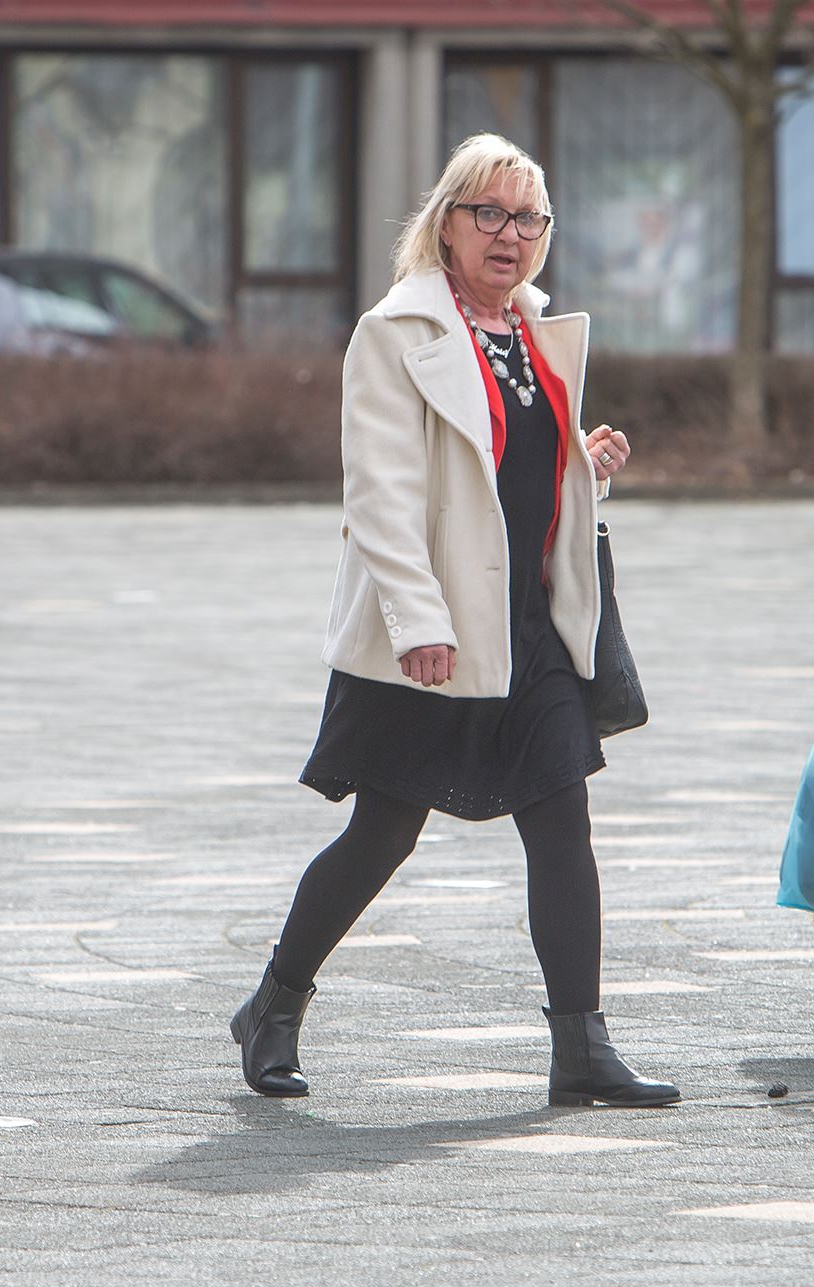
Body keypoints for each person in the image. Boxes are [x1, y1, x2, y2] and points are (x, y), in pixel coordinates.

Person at [231, 133, 678, 1107]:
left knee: (562, 819)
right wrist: (416, 621)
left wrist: (583, 466)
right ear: (446, 226)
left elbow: (506, 474)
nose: (510, 235)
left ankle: (581, 1047)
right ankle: (273, 1003)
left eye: (528, 219)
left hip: (527, 624)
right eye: (489, 214)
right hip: (431, 629)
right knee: (384, 830)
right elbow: (381, 495)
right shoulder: (395, 333)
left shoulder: (535, 331)